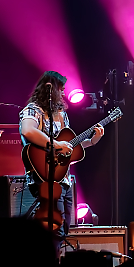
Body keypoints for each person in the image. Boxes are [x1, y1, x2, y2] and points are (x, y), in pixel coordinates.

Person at [18, 71, 104, 229]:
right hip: (43, 177)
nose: (63, 93)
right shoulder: (32, 110)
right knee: (54, 229)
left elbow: (68, 147)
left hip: (64, 179)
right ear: (49, 89)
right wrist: (56, 145)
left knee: (64, 228)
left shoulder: (61, 115)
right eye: (61, 89)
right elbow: (28, 130)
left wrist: (92, 141)